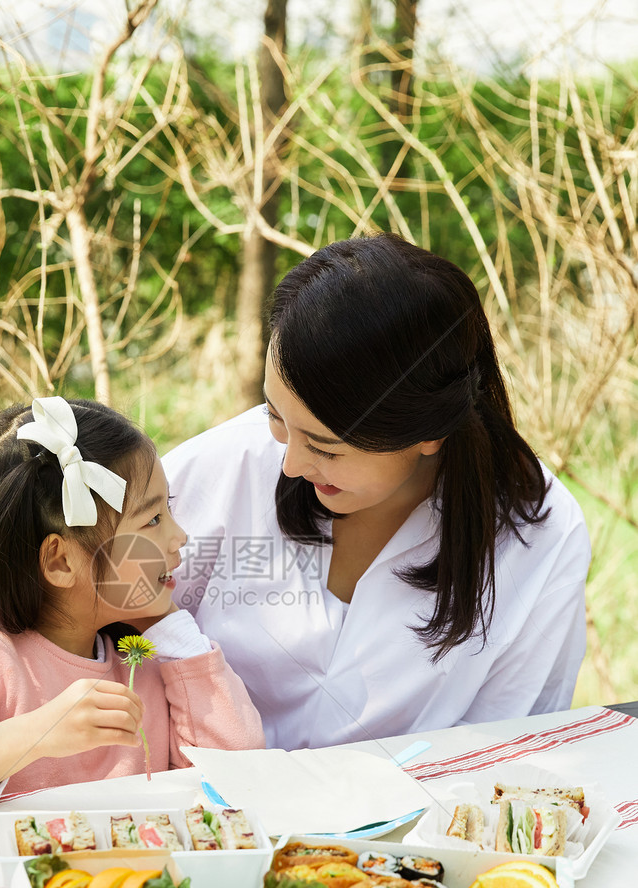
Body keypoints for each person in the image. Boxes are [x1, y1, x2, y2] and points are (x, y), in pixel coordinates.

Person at [163, 233, 591, 750]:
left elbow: (508, 746)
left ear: (429, 430)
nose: (291, 463)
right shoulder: (223, 466)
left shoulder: (537, 535)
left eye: (326, 447)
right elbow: (99, 634)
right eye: (277, 416)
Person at [0, 396, 263, 814]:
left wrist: (172, 628)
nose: (180, 538)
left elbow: (236, 780)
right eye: (152, 521)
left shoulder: (144, 661)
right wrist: (36, 733)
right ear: (61, 561)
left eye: (167, 510)